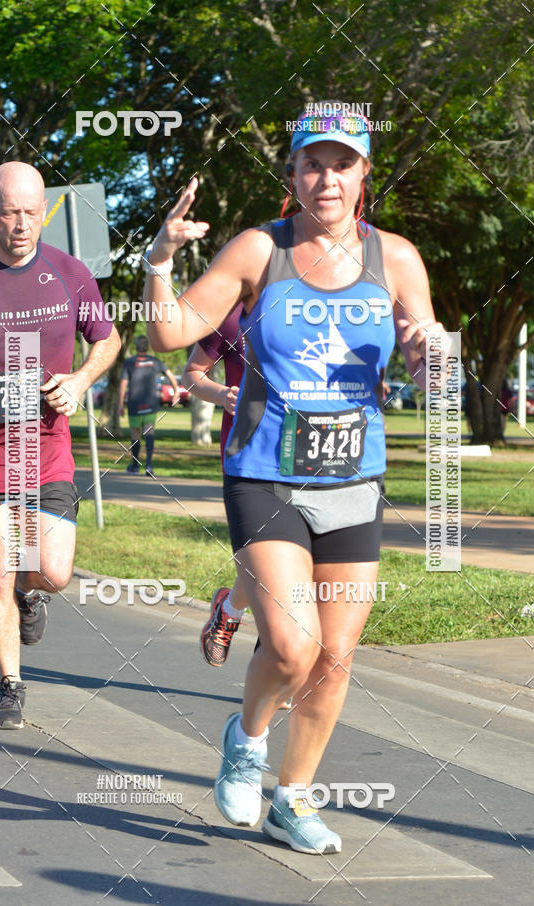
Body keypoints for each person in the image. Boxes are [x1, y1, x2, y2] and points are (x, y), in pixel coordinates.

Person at [144, 103, 447, 854]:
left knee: (336, 657)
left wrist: (431, 349)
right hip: (264, 472)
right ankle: (246, 742)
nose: (327, 178)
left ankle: (296, 798)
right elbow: (171, 333)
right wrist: (157, 261)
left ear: (364, 175)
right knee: (290, 647)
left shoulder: (398, 259)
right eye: (313, 162)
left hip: (355, 478)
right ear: (293, 172)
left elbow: (430, 380)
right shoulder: (259, 250)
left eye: (343, 163)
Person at [0, 161, 120, 729]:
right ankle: (10, 688)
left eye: (30, 212)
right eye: (8, 211)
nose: (20, 223)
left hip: (46, 447)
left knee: (53, 571)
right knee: (0, 561)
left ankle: (31, 594)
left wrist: (81, 381)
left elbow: (106, 340)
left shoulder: (69, 273)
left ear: (46, 212)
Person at [182, 305, 248, 666]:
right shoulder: (229, 316)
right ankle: (230, 610)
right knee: (258, 564)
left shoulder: (321, 307)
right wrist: (223, 395)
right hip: (246, 456)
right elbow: (192, 373)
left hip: (309, 458)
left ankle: (277, 661)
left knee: (303, 569)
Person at [118, 334, 179, 475]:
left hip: (134, 403)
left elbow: (123, 383)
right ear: (148, 346)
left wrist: (120, 403)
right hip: (150, 404)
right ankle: (149, 466)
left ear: (136, 346)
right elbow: (170, 375)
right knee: (149, 432)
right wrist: (176, 391)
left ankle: (134, 466)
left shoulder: (129, 362)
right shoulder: (155, 361)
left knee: (135, 434)